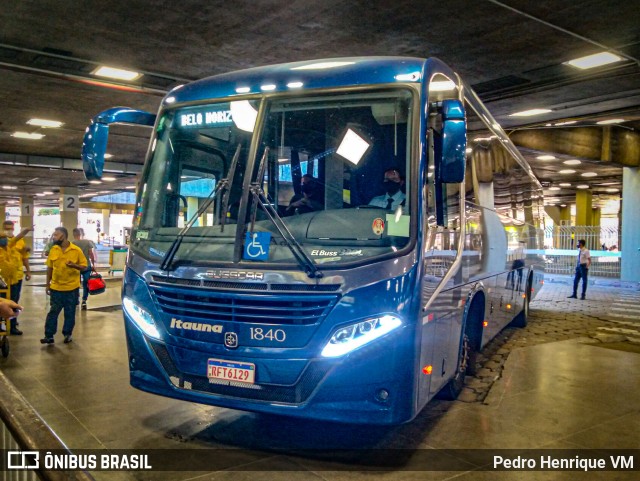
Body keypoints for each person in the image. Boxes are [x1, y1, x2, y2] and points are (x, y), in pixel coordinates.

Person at [41, 227, 88, 345]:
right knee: (53, 311)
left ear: (63, 236)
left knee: (70, 312)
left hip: (71, 288)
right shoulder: (53, 250)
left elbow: (84, 266)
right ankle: (49, 335)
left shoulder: (76, 250)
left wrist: (74, 265)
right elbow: (49, 268)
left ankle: (67, 334)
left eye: (56, 235)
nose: (54, 237)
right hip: (56, 288)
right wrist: (48, 284)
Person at [3, 221, 32, 334]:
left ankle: (13, 325)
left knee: (14, 301)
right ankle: (4, 323)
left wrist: (28, 271)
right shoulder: (3, 242)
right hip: (3, 278)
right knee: (3, 302)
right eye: (6, 228)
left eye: (10, 228)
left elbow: (24, 257)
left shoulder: (20, 241)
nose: (9, 230)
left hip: (17, 276)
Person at [72, 228, 97, 310]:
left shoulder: (72, 244)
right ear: (80, 234)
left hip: (76, 267)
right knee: (86, 284)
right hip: (86, 266)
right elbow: (91, 254)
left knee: (76, 284)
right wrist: (93, 264)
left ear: (74, 234)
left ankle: (76, 300)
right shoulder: (87, 242)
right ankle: (84, 300)